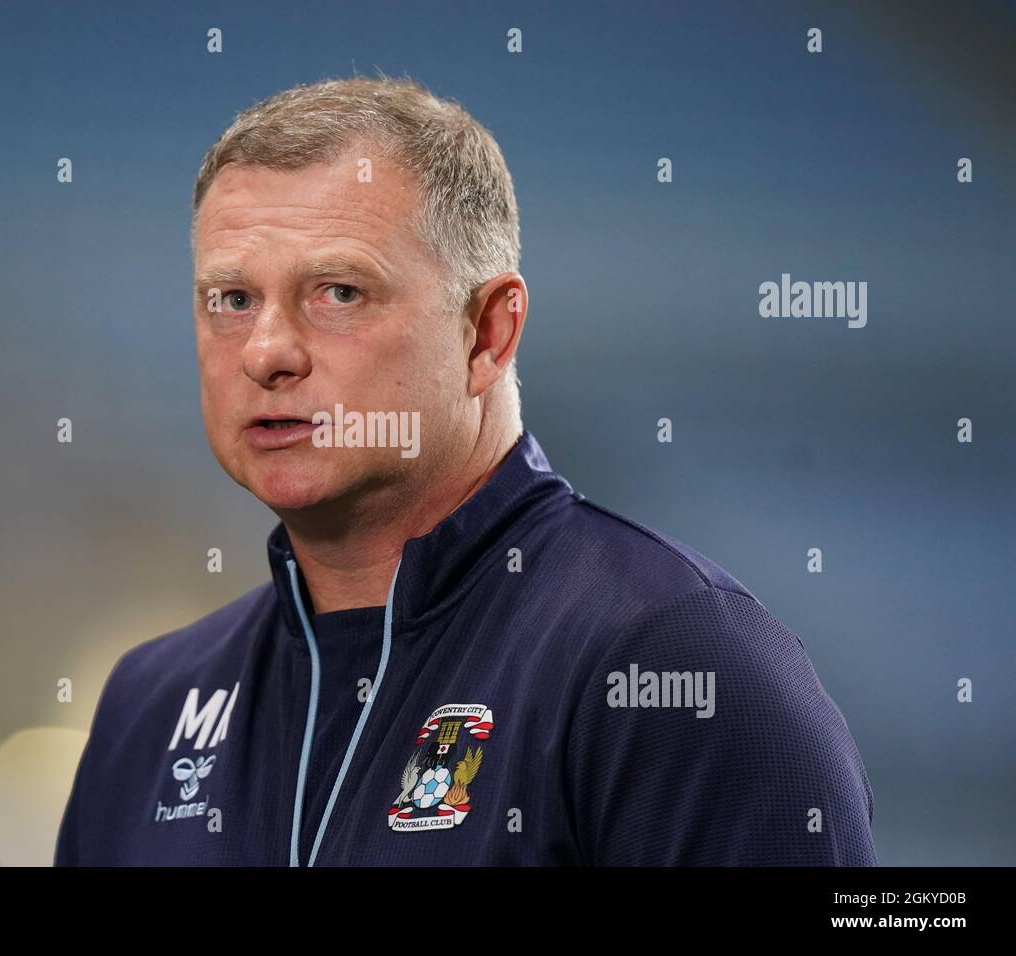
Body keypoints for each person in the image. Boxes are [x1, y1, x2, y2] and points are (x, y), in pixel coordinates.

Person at [54, 75, 876, 866]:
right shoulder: (150, 705)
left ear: (488, 334)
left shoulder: (677, 666)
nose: (267, 351)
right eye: (231, 299)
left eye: (338, 292)